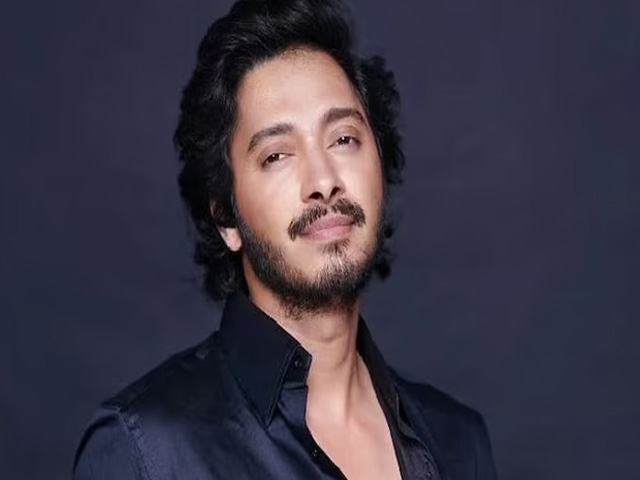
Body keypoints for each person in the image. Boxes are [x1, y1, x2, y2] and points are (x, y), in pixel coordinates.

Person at [73, 0, 498, 478]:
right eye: (277, 155)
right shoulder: (146, 449)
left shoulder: (457, 441)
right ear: (226, 217)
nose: (324, 181)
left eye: (343, 139)